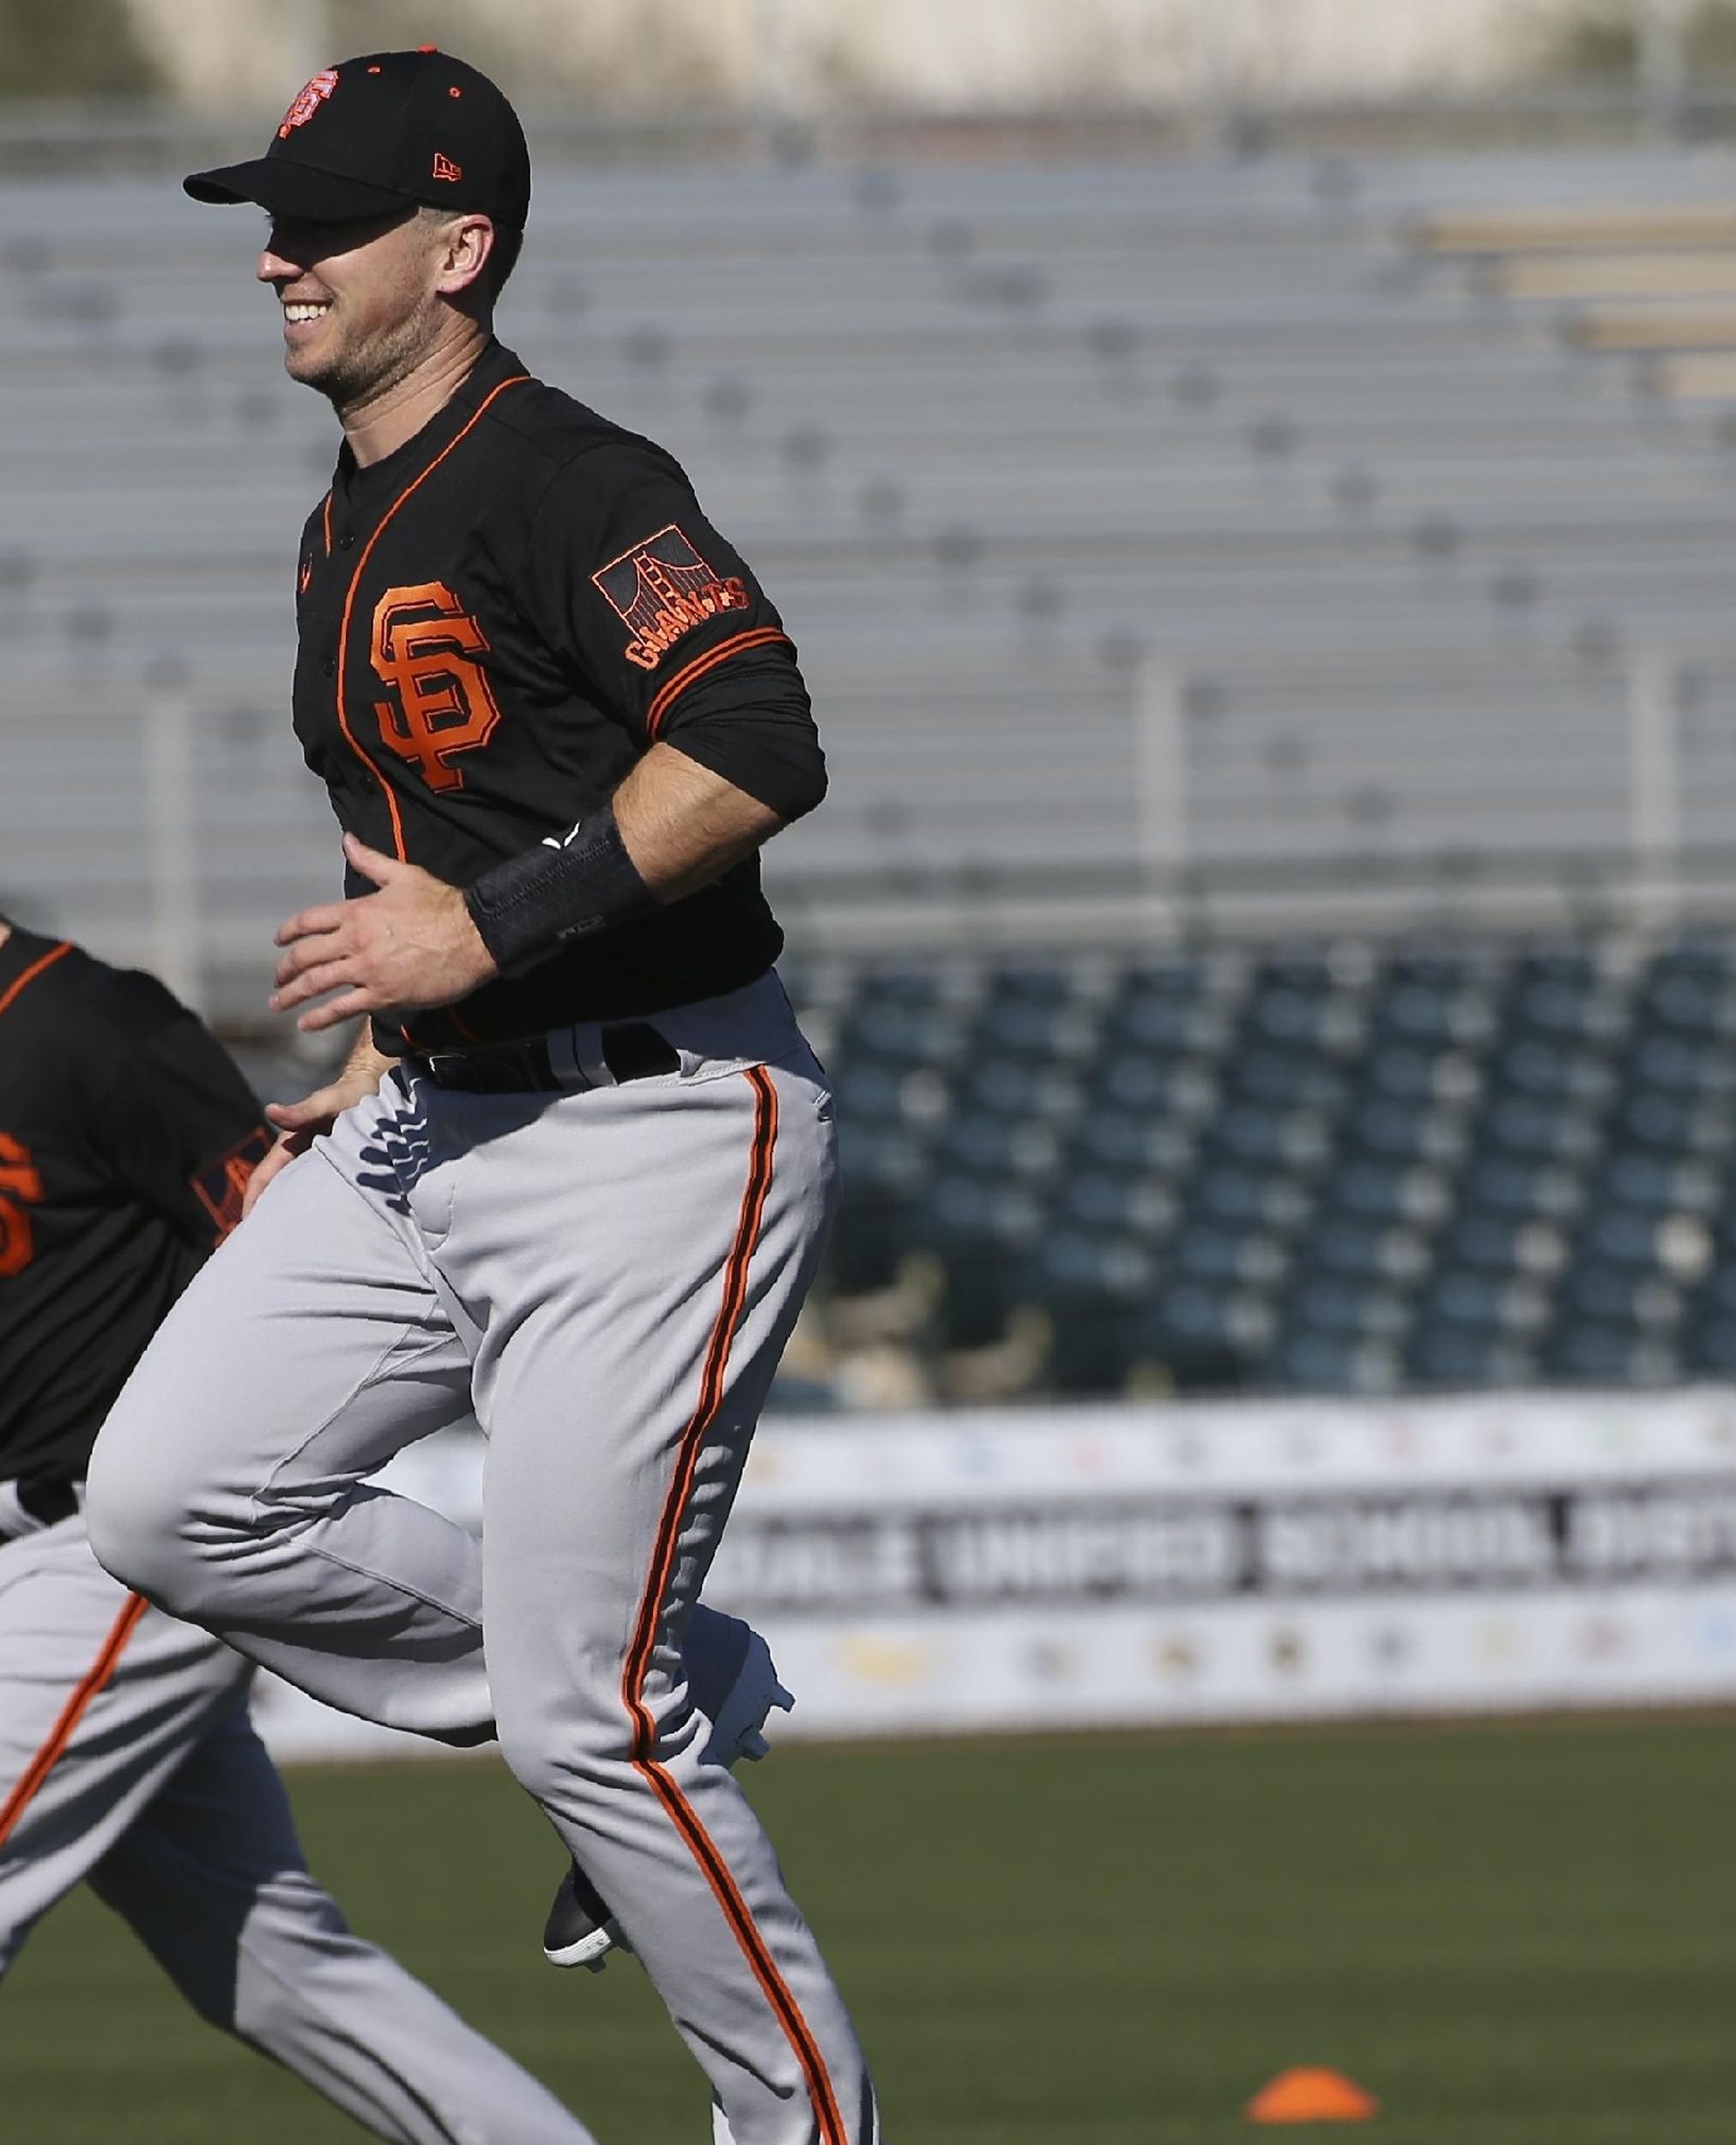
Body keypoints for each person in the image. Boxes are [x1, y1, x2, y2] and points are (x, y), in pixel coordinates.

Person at [83, 48, 878, 2145]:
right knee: (166, 1491)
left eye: (327, 220)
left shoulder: (570, 476)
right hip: (439, 1116)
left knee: (578, 1726)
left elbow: (762, 737)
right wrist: (374, 1045)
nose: (279, 252)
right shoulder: (343, 519)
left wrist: (488, 934)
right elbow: (413, 855)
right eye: (274, 213)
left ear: (461, 248)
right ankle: (667, 1665)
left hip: (653, 1122)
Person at [0, 918, 597, 2145]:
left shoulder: (85, 1022)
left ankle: (648, 1669)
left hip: (112, 1554)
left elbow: (275, 1235)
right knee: (279, 1970)